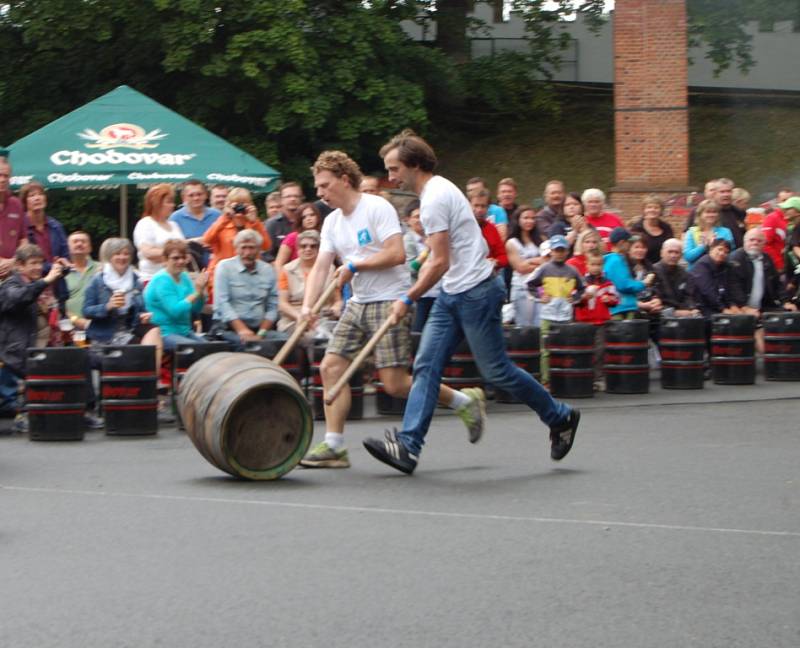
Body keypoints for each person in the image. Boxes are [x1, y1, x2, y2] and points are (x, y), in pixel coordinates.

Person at [361, 132, 579, 475]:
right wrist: (417, 272)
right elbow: (440, 253)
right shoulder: (437, 190)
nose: (391, 177)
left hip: (476, 293)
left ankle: (561, 417)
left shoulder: (433, 199)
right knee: (426, 367)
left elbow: (441, 260)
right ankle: (408, 447)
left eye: (394, 168)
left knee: (497, 372)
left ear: (414, 164)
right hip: (453, 293)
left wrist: (408, 297)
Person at [301, 148, 487, 470]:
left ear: (344, 180)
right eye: (317, 187)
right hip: (357, 303)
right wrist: (307, 306)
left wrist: (355, 265)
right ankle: (334, 446)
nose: (319, 193)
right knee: (330, 367)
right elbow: (320, 267)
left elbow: (397, 254)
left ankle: (463, 401)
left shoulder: (377, 207)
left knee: (395, 384)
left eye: (324, 185)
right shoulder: (331, 222)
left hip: (390, 299)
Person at [0, 244, 64, 421]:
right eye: (33, 263)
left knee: (77, 359)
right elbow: (20, 297)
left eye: (40, 263)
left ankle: (79, 409)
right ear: (20, 266)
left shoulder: (38, 284)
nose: (38, 267)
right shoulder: (11, 284)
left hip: (45, 343)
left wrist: (61, 270)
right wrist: (45, 281)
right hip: (18, 350)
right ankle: (22, 413)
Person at [82, 238, 163, 365]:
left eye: (126, 254)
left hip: (129, 329)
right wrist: (108, 306)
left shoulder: (136, 280)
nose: (122, 257)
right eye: (117, 254)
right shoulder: (98, 280)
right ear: (110, 257)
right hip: (105, 334)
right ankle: (148, 377)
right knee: (142, 349)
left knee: (154, 330)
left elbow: (140, 310)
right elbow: (86, 311)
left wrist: (143, 316)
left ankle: (152, 378)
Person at [527, 234, 584, 387]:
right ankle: (546, 381)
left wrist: (576, 297)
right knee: (545, 350)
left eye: (562, 250)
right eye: (556, 250)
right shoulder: (544, 268)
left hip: (565, 317)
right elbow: (530, 285)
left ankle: (564, 380)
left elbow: (582, 288)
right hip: (547, 316)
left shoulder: (572, 270)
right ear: (551, 251)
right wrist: (540, 296)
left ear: (567, 251)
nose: (559, 253)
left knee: (566, 349)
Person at [211, 229, 281, 349]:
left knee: (287, 342)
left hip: (259, 329)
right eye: (243, 247)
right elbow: (222, 303)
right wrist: (242, 330)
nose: (247, 252)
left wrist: (261, 333)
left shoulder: (268, 270)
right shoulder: (224, 267)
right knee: (249, 346)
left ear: (259, 249)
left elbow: (273, 306)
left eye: (251, 248)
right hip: (229, 328)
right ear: (236, 248)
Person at [202, 187, 270, 300]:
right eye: (236, 204)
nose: (239, 207)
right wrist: (224, 217)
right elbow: (207, 240)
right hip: (224, 277)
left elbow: (266, 245)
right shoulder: (222, 224)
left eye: (243, 204)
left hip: (249, 277)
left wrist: (255, 222)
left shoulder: (254, 224)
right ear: (229, 205)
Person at [144, 239, 208, 350]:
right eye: (175, 258)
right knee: (196, 349)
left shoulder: (184, 276)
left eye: (183, 257)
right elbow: (175, 311)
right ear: (165, 259)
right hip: (164, 333)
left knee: (212, 348)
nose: (180, 261)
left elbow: (196, 309)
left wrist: (201, 292)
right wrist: (196, 292)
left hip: (185, 331)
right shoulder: (162, 280)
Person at [277, 230, 341, 334]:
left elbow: (337, 300)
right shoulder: (287, 270)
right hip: (294, 320)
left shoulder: (331, 270)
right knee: (311, 337)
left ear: (319, 249)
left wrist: (335, 309)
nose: (308, 249)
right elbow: (282, 303)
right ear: (297, 248)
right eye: (303, 246)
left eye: (313, 246)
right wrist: (299, 316)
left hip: (323, 320)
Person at [727, 228, 796, 322]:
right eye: (752, 240)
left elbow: (777, 283)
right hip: (739, 308)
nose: (755, 243)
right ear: (744, 241)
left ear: (764, 244)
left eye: (759, 241)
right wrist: (744, 307)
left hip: (764, 307)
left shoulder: (767, 258)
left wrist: (786, 302)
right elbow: (733, 286)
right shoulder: (735, 258)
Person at [574, 251, 619, 391]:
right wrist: (584, 297)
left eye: (599, 264)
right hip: (584, 322)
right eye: (593, 264)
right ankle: (584, 377)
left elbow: (616, 299)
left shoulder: (608, 283)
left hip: (601, 322)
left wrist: (610, 300)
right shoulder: (581, 282)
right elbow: (574, 300)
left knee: (600, 350)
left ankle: (598, 378)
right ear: (587, 265)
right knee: (585, 350)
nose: (596, 267)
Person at [133, 184, 184, 283]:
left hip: (176, 279)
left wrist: (163, 255)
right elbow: (148, 253)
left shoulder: (174, 225)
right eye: (169, 202)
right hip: (152, 279)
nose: (173, 205)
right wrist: (175, 253)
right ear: (157, 203)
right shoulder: (145, 224)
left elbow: (185, 252)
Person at [403, 200, 440, 332]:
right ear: (408, 220)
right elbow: (410, 269)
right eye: (417, 216)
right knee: (418, 331)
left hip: (438, 292)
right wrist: (427, 251)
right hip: (420, 295)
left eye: (423, 216)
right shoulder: (408, 240)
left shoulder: (435, 236)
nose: (421, 220)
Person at [505, 204, 544, 327]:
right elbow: (520, 268)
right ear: (518, 220)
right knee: (524, 326)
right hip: (521, 288)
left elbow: (549, 260)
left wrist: (529, 261)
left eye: (532, 218)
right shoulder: (512, 243)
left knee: (540, 324)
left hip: (540, 288)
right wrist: (539, 263)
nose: (530, 221)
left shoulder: (540, 239)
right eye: (526, 218)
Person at [604, 228, 654, 320]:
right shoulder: (615, 260)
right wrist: (643, 283)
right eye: (629, 242)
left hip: (624, 307)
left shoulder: (617, 259)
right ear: (621, 243)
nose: (630, 245)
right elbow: (623, 285)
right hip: (620, 309)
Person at [688, 238, 735, 319]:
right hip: (700, 307)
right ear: (711, 249)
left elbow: (727, 289)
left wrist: (732, 305)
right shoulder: (702, 265)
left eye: (726, 252)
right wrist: (723, 309)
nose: (722, 253)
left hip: (715, 306)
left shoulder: (724, 267)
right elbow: (708, 291)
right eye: (720, 249)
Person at [273, 202, 322, 276]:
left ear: (317, 217)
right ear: (300, 220)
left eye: (312, 215)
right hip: (296, 278)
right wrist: (284, 282)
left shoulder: (325, 236)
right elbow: (278, 264)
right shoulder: (292, 237)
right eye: (304, 217)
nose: (309, 219)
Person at [683, 199, 735, 269]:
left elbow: (731, 255)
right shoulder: (692, 232)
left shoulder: (725, 232)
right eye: (707, 212)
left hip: (720, 272)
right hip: (696, 273)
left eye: (714, 212)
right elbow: (688, 257)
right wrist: (703, 246)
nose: (711, 215)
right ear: (700, 214)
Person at [652, 238, 698, 317]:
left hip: (683, 313)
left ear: (681, 255)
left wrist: (692, 308)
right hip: (660, 316)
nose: (673, 255)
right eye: (670, 252)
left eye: (676, 252)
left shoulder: (684, 273)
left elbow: (688, 296)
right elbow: (654, 301)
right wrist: (675, 313)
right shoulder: (653, 272)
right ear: (661, 253)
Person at [63, 230, 99, 329]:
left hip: (98, 326)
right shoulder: (61, 272)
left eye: (83, 241)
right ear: (67, 247)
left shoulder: (101, 269)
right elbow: (57, 304)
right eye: (75, 241)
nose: (79, 244)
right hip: (69, 328)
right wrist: (76, 320)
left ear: (90, 247)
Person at [629, 195, 674, 265]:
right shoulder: (637, 228)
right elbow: (632, 250)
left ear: (661, 210)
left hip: (662, 268)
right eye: (649, 207)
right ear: (644, 210)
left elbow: (671, 248)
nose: (652, 210)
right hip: (642, 267)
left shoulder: (667, 228)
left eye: (656, 207)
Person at [469, 187, 508, 270]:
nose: (479, 210)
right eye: (476, 206)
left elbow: (503, 256)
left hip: (488, 273)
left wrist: (496, 262)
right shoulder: (460, 227)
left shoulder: (491, 228)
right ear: (469, 205)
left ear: (488, 208)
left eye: (483, 206)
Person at [264, 182, 304, 262]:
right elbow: (265, 254)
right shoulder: (272, 224)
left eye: (296, 196)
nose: (293, 199)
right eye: (288, 196)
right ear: (281, 200)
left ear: (301, 199)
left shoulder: (308, 220)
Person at [0, 155, 25, 280]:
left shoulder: (16, 204)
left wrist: (14, 261)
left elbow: (23, 239)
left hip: (12, 274)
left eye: (6, 176)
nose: (3, 179)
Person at [762, 196, 799, 273]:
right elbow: (765, 244)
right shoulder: (791, 227)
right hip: (789, 269)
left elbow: (795, 247)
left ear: (797, 212)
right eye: (784, 208)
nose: (784, 210)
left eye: (788, 208)